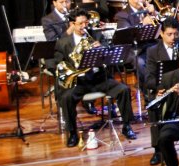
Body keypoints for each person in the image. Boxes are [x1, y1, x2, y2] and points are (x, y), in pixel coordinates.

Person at [54, 10, 136, 147]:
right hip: (78, 82)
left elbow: (110, 53)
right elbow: (58, 64)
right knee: (66, 98)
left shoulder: (96, 35)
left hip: (99, 78)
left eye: (86, 23)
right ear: (72, 24)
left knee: (123, 90)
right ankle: (72, 133)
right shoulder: (63, 42)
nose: (84, 26)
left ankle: (127, 126)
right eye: (80, 24)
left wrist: (101, 48)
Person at [143, 16, 179, 166]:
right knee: (153, 105)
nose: (173, 38)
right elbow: (149, 78)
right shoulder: (153, 51)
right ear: (161, 34)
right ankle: (158, 149)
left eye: (176, 34)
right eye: (169, 34)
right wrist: (160, 89)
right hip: (164, 89)